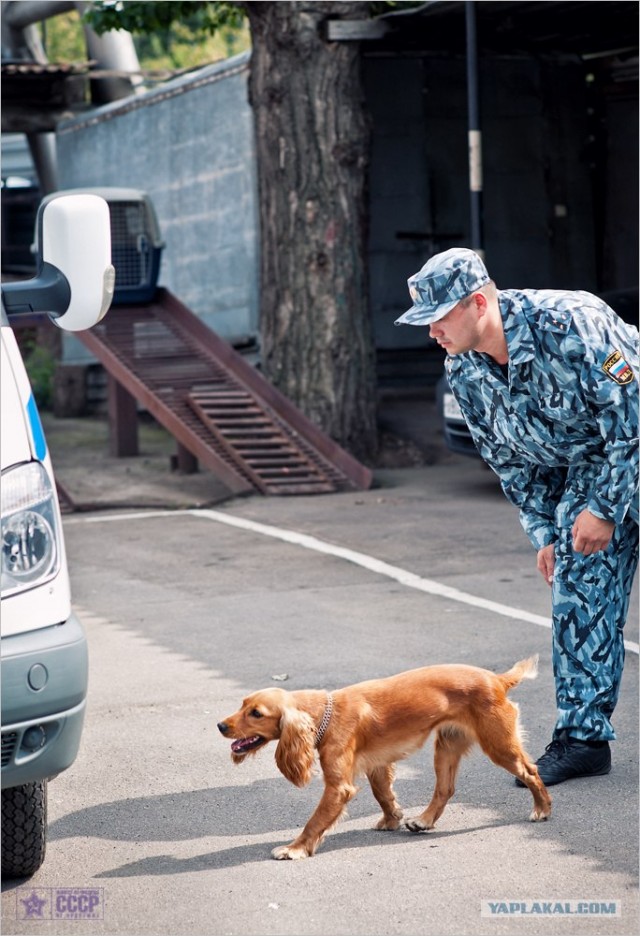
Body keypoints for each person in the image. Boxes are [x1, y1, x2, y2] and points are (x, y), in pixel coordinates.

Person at [395, 247, 639, 786]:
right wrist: (546, 531)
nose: (430, 332)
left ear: (478, 303)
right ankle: (583, 740)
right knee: (578, 593)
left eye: (437, 318)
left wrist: (605, 508)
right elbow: (511, 461)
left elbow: (632, 419)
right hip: (592, 466)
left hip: (628, 451)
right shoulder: (464, 371)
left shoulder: (572, 322)